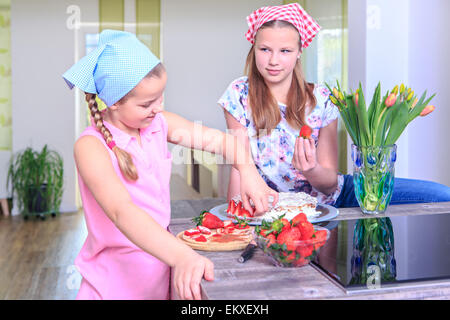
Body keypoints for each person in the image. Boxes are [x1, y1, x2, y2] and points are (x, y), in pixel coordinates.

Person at [63, 30, 277, 300]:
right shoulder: (90, 146)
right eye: (147, 103)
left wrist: (249, 172)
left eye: (161, 97)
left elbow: (223, 141)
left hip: (159, 271)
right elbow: (122, 212)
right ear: (114, 103)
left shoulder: (158, 123)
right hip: (113, 284)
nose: (158, 108)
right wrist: (182, 256)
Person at [219, 3, 450, 210]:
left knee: (442, 195)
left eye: (285, 51)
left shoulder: (322, 98)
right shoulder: (239, 94)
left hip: (335, 198)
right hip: (273, 205)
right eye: (265, 49)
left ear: (300, 52)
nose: (273, 60)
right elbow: (240, 166)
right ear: (254, 48)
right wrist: (236, 221)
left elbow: (329, 184)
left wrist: (310, 169)